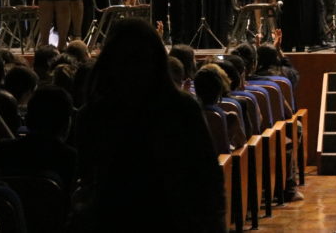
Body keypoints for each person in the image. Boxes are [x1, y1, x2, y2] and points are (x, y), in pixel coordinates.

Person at [73, 18, 225, 233]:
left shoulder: (92, 114)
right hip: (173, 219)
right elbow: (207, 178)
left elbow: (88, 180)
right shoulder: (181, 108)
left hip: (113, 218)